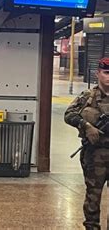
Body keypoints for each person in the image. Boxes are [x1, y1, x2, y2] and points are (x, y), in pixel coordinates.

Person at [64, 57, 109, 230]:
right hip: (95, 155)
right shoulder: (88, 97)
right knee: (93, 196)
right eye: (106, 73)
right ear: (98, 73)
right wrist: (86, 126)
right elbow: (69, 115)